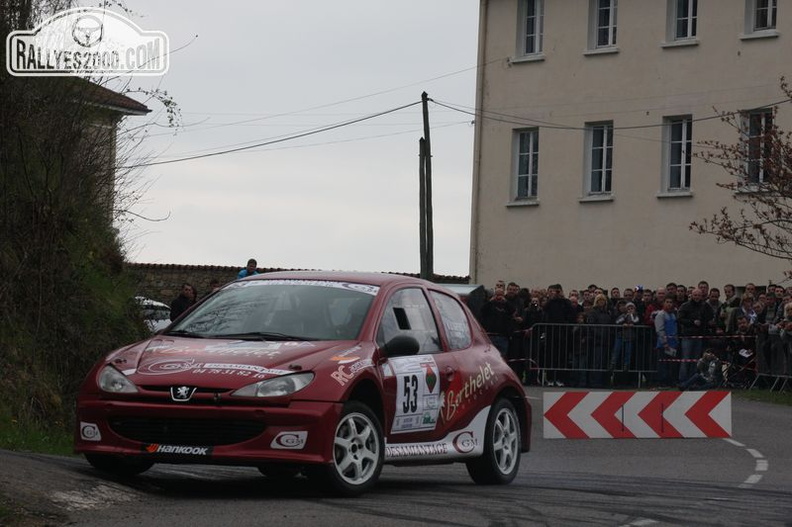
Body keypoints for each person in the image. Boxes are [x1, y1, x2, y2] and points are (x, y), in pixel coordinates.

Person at [676, 287, 714, 384]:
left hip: (699, 336)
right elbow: (680, 319)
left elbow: (710, 316)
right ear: (691, 295)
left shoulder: (705, 306)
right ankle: (683, 379)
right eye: (695, 295)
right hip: (688, 336)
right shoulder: (685, 306)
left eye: (699, 295)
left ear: (702, 296)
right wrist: (692, 322)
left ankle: (692, 379)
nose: (697, 297)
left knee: (696, 360)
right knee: (686, 358)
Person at [479, 285, 516, 358]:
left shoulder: (506, 305)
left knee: (502, 357)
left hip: (503, 336)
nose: (499, 297)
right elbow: (482, 310)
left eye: (501, 295)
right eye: (497, 295)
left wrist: (506, 302)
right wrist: (490, 301)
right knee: (490, 357)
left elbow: (513, 311)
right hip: (490, 335)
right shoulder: (489, 304)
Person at [654, 297, 679, 387]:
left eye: (671, 302)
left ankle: (670, 380)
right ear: (663, 303)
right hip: (664, 344)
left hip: (673, 343)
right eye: (667, 302)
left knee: (671, 364)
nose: (669, 304)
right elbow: (660, 330)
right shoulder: (660, 315)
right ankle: (662, 381)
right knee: (663, 363)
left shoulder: (673, 315)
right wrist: (664, 342)